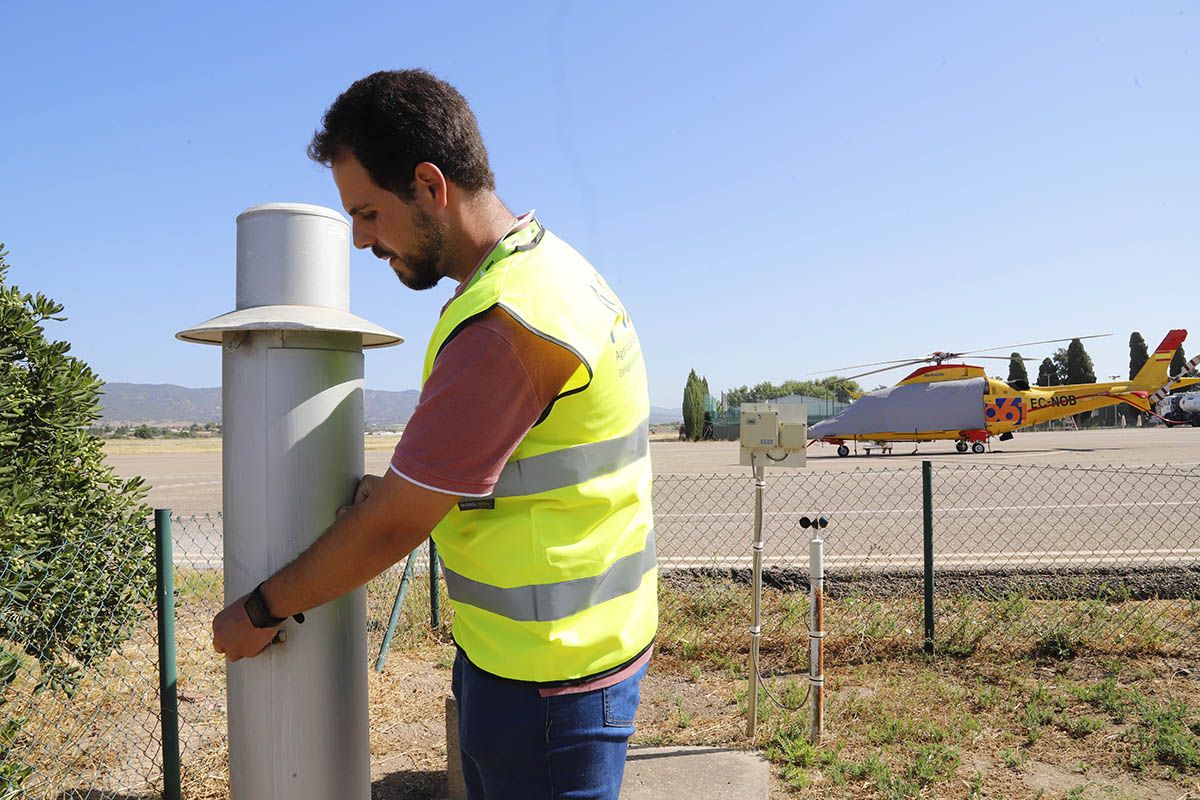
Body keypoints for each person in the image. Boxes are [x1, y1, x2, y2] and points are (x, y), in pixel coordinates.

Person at [211, 69, 657, 800]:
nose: (359, 241)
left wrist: (259, 610)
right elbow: (513, 466)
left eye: (367, 213)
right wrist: (408, 490)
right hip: (545, 659)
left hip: (546, 689)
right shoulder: (549, 272)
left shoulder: (506, 327)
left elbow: (390, 531)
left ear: (428, 184)